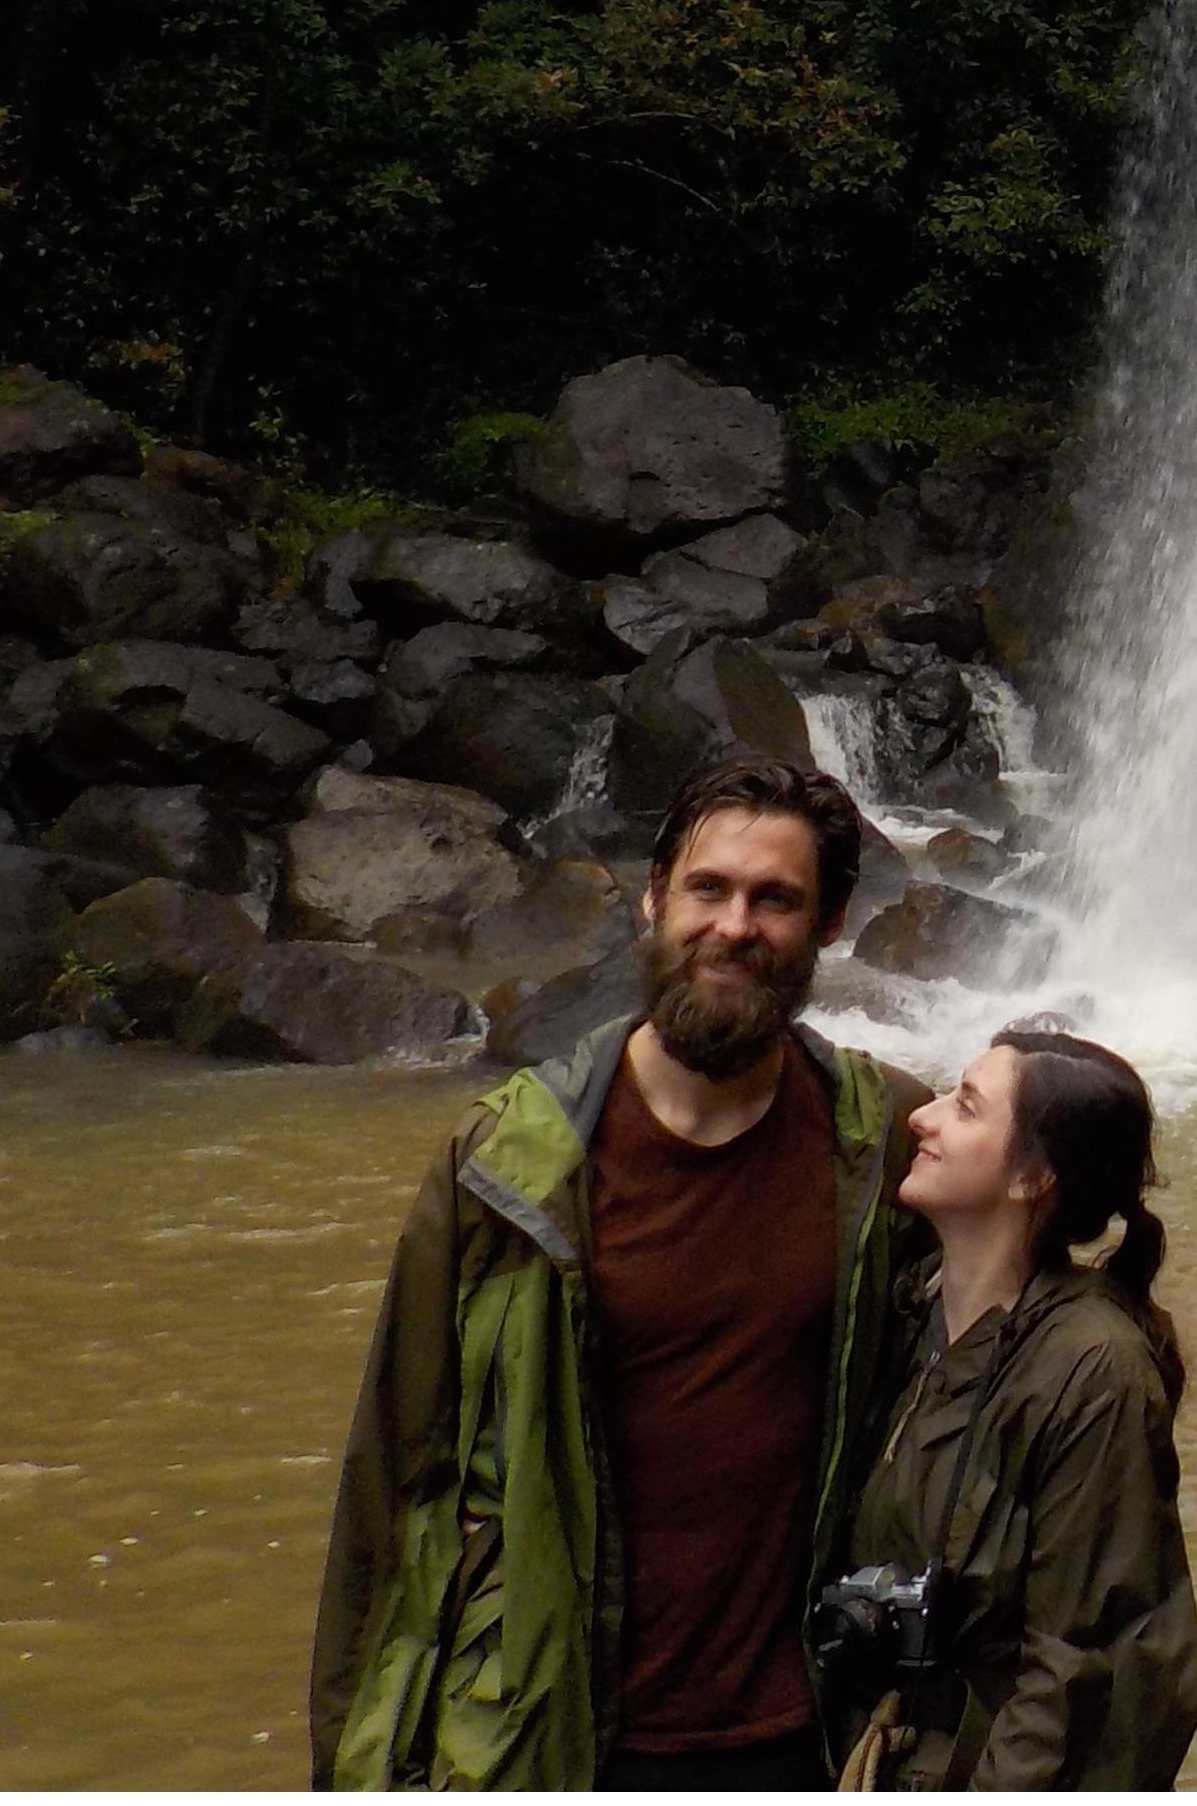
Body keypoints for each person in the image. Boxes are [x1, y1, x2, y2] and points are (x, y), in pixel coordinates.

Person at [310, 751, 929, 1790]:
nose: (734, 926)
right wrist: (354, 1761)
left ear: (828, 928)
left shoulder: (895, 1146)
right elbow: (396, 1475)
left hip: (809, 1737)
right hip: (551, 1729)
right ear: (653, 900)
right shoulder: (504, 1164)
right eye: (708, 888)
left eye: (775, 899)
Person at [824, 1028, 1197, 1791]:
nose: (922, 1119)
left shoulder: (1094, 1370)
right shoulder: (906, 1307)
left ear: (1033, 1176)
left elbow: (1083, 1667)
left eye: (964, 1108)